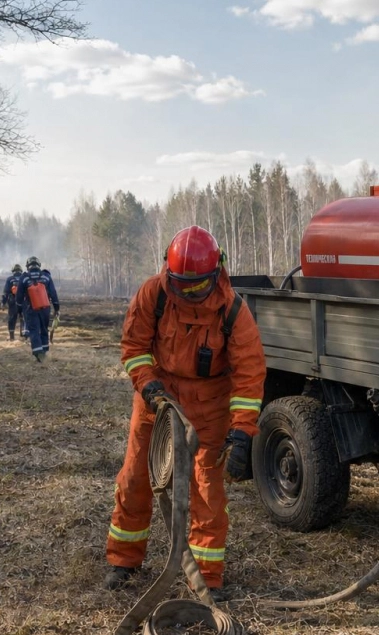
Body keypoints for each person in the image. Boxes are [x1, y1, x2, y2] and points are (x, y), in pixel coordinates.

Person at [104, 226, 266, 601]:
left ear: (217, 272)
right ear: (168, 274)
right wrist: (149, 385)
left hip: (209, 404)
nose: (189, 294)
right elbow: (134, 345)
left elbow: (249, 373)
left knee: (206, 489)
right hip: (157, 400)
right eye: (182, 286)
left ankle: (206, 577)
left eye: (197, 287)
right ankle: (124, 561)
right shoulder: (154, 293)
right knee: (135, 478)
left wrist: (242, 430)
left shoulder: (234, 312)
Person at [15, 256, 59, 361]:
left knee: (34, 330)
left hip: (31, 309)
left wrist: (19, 310)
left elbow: (19, 297)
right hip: (45, 308)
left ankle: (38, 353)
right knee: (44, 329)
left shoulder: (24, 277)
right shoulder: (46, 276)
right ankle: (44, 351)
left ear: (27, 266)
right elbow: (53, 294)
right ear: (38, 265)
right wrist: (57, 308)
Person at [2, 264, 25, 341]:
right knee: (24, 318)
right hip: (23, 301)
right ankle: (23, 334)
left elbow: (6, 292)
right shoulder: (24, 278)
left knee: (12, 319)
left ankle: (12, 337)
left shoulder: (10, 279)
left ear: (13, 271)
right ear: (21, 270)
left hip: (13, 302)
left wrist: (3, 303)